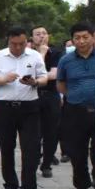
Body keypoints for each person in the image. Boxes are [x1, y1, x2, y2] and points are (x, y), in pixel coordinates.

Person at [0, 27, 48, 189]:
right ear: (8, 41)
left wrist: (35, 82)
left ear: (26, 41)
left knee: (31, 147)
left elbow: (45, 77)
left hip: (29, 106)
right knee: (6, 146)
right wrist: (4, 79)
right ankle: (10, 183)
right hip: (4, 107)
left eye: (21, 44)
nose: (18, 47)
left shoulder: (34, 56)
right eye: (14, 44)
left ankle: (29, 187)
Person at [56, 22, 95, 189]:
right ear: (72, 40)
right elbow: (61, 85)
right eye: (77, 38)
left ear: (93, 38)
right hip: (75, 112)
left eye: (85, 37)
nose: (81, 41)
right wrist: (75, 96)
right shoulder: (66, 60)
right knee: (77, 155)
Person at [32, 26, 64, 177]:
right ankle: (33, 158)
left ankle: (47, 164)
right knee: (33, 132)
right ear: (32, 38)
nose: (41, 36)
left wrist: (44, 54)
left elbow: (53, 75)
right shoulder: (28, 53)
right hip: (32, 95)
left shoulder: (56, 52)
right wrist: (40, 55)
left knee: (51, 131)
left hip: (51, 95)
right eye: (38, 34)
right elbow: (28, 74)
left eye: (44, 33)